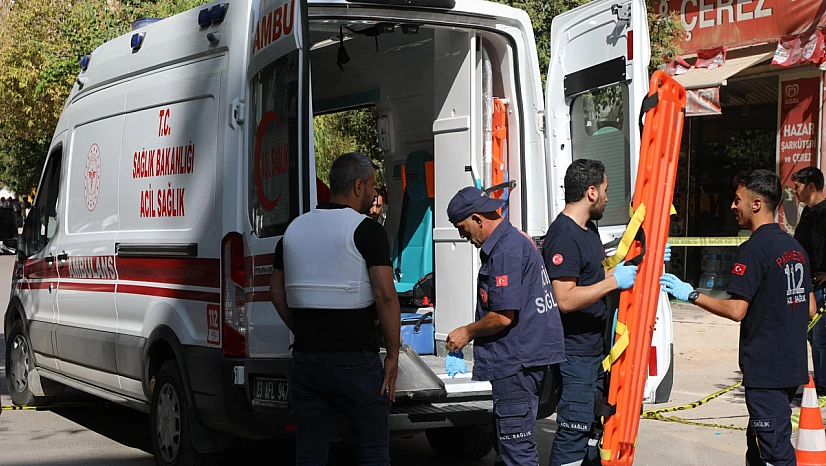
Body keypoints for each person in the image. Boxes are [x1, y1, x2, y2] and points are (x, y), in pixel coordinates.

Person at [661, 169, 815, 466]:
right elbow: (808, 308)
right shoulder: (796, 248)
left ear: (756, 205)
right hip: (791, 367)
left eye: (737, 200)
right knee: (757, 449)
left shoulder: (753, 249)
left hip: (765, 370)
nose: (733, 206)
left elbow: (736, 310)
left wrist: (691, 294)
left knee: (775, 454)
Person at [269, 152, 401, 466]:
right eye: (371, 186)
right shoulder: (366, 230)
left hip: (306, 359)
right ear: (358, 186)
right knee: (372, 452)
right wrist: (393, 356)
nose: (373, 193)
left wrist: (303, 331)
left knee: (310, 455)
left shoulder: (293, 231)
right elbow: (385, 296)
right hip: (355, 361)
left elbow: (275, 293)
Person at [444, 186, 565, 466]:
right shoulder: (512, 241)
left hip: (516, 366)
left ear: (477, 218)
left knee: (516, 451)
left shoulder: (506, 251)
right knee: (508, 448)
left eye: (462, 228)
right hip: (523, 361)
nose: (463, 236)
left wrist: (467, 332)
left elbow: (502, 316)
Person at [543, 159, 640, 466]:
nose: (608, 198)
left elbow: (590, 278)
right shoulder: (564, 236)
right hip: (575, 356)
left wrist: (622, 267)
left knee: (589, 434)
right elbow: (566, 299)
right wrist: (613, 282)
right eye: (606, 190)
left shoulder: (588, 230)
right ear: (591, 192)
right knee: (573, 434)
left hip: (594, 353)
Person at [792, 166, 826, 395]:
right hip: (808, 284)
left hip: (823, 287)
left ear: (811, 186)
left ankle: (823, 386)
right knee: (812, 336)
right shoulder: (807, 213)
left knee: (822, 336)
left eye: (797, 187)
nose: (795, 192)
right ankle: (819, 381)